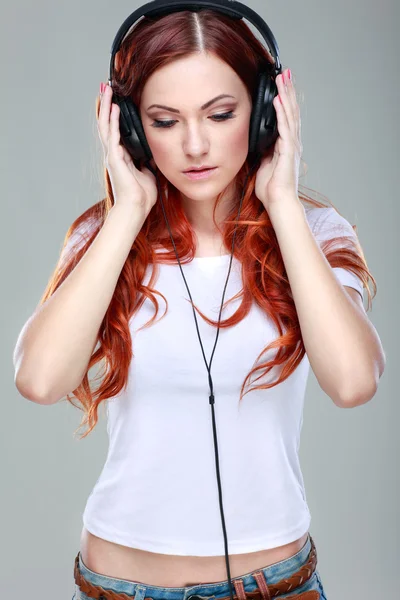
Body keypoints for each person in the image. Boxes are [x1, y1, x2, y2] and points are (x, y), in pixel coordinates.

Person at [14, 6, 385, 600]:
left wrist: (283, 205)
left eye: (221, 114)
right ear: (130, 129)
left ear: (267, 113)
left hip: (276, 586)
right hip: (120, 585)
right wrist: (128, 212)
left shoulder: (312, 231)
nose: (194, 145)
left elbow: (352, 383)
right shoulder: (107, 239)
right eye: (163, 121)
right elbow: (38, 380)